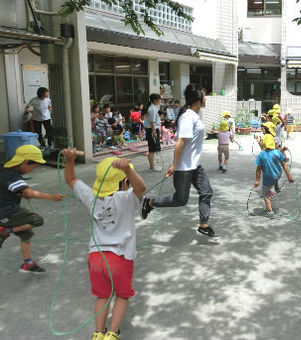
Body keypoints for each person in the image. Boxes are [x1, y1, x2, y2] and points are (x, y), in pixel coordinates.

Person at [62, 150, 146, 340]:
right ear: (124, 182)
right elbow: (141, 188)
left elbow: (71, 179)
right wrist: (127, 170)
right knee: (122, 296)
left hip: (96, 258)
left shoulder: (92, 198)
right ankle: (112, 333)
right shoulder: (126, 199)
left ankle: (98, 333)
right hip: (120, 258)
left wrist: (69, 160)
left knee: (102, 296)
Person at [140, 84, 219, 240]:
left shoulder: (194, 115)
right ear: (198, 99)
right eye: (204, 95)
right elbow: (180, 141)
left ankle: (204, 225)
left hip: (195, 166)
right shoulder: (187, 117)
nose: (206, 98)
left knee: (206, 192)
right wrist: (174, 165)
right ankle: (149, 203)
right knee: (180, 200)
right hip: (183, 167)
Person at [0, 145, 63, 272]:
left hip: (7, 209)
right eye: (33, 166)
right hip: (7, 212)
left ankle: (28, 263)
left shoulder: (5, 169)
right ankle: (5, 231)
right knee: (36, 220)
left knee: (26, 234)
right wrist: (52, 197)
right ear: (25, 162)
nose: (33, 169)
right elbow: (28, 194)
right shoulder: (12, 176)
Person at [253, 134, 294, 219]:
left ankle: (270, 211)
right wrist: (289, 176)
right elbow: (284, 165)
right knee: (273, 180)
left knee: (265, 194)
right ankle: (275, 186)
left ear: (263, 143)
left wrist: (257, 180)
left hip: (268, 177)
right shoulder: (277, 152)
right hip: (278, 174)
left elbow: (258, 169)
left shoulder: (261, 154)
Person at [145, 94, 162, 171]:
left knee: (152, 149)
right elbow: (152, 122)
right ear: (155, 100)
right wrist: (154, 132)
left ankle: (152, 165)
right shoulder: (152, 109)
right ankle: (152, 166)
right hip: (152, 130)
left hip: (151, 130)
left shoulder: (152, 108)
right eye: (159, 99)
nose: (160, 100)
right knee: (152, 149)